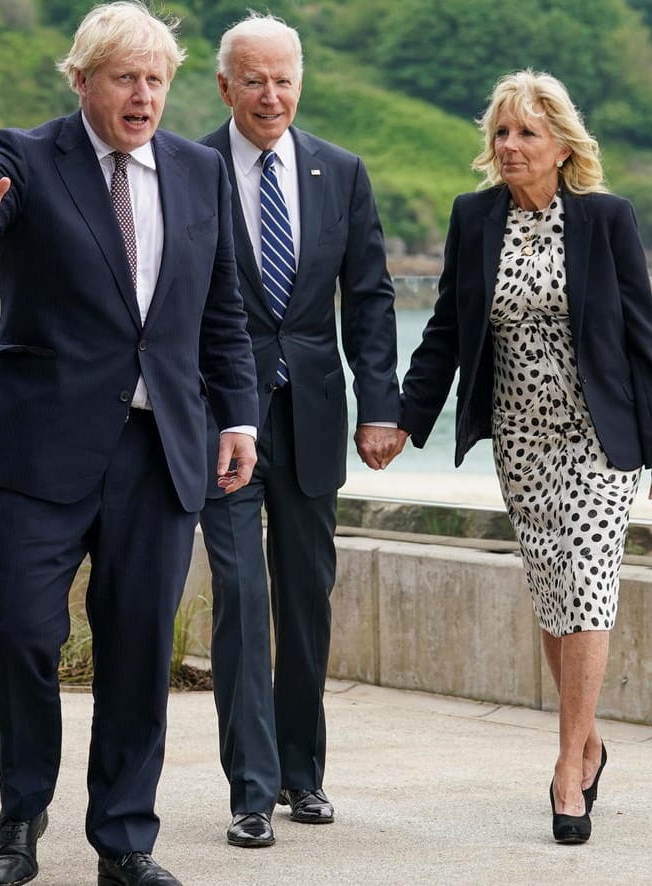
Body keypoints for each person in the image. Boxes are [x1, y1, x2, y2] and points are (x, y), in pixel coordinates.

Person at [0, 3, 259, 883]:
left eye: (155, 79)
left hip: (161, 453)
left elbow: (221, 310)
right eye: (123, 77)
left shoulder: (198, 172)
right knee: (21, 637)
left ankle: (124, 843)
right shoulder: (28, 156)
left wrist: (236, 418)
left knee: (139, 651)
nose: (142, 94)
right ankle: (21, 814)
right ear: (81, 81)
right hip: (41, 451)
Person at [391, 70, 652, 845]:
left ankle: (565, 768)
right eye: (500, 133)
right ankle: (589, 742)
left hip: (598, 438)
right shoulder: (473, 218)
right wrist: (402, 419)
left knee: (588, 582)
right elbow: (446, 332)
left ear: (561, 144)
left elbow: (641, 336)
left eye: (525, 132)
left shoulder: (604, 219)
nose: (509, 146)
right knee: (552, 592)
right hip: (519, 439)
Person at [195, 13, 406, 850]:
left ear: (300, 82)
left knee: (306, 600)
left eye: (283, 79)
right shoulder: (190, 166)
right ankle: (249, 790)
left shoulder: (340, 170)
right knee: (243, 600)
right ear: (224, 87)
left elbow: (371, 293)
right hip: (222, 416)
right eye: (252, 80)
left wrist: (380, 404)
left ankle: (300, 775)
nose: (269, 95)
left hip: (315, 411)